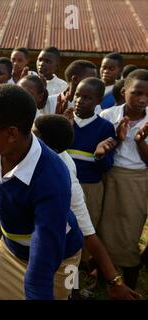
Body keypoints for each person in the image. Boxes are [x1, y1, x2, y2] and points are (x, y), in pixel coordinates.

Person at [0, 84, 84, 300]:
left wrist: (37, 294)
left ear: (11, 134)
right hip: (10, 250)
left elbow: (44, 251)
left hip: (58, 262)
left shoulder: (52, 177)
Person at [33, 114, 140, 300]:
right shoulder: (41, 155)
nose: (28, 137)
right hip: (42, 242)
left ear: (51, 148)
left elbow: (89, 234)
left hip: (67, 248)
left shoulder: (65, 179)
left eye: (34, 135)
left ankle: (71, 292)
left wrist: (115, 281)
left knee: (66, 284)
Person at [99, 69, 148, 290]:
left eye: (147, 95)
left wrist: (139, 142)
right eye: (137, 93)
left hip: (138, 179)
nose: (143, 99)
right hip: (109, 176)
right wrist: (117, 139)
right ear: (123, 91)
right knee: (103, 229)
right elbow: (100, 153)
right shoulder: (107, 116)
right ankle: (103, 276)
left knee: (130, 231)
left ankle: (129, 283)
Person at [67, 78, 116, 230]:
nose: (79, 101)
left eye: (87, 98)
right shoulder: (64, 121)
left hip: (90, 187)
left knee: (86, 229)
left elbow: (106, 166)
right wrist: (64, 132)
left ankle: (85, 255)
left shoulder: (105, 127)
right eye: (77, 95)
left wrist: (99, 155)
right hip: (63, 183)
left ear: (98, 101)